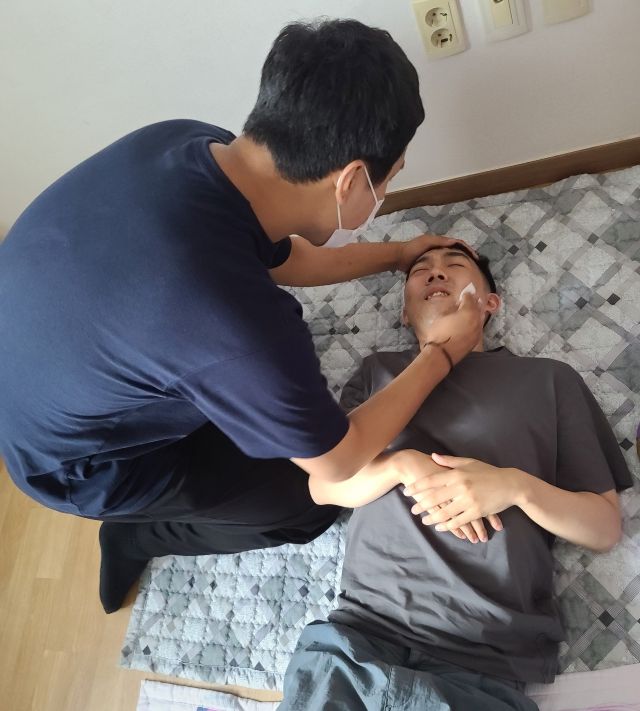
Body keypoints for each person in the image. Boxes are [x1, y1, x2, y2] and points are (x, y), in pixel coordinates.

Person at [0, 19, 486, 614]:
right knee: (307, 504)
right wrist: (441, 353)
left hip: (47, 358)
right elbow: (340, 458)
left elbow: (283, 256)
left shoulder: (187, 142)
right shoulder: (241, 331)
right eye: (392, 175)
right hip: (76, 461)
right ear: (352, 181)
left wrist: (398, 253)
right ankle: (134, 534)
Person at [278, 243, 633, 710]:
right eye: (420, 269)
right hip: (357, 641)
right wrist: (401, 464)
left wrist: (515, 487)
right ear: (405, 313)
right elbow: (324, 486)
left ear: (490, 303)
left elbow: (604, 528)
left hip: (482, 656)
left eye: (456, 264)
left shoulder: (550, 379)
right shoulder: (377, 372)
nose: (436, 272)